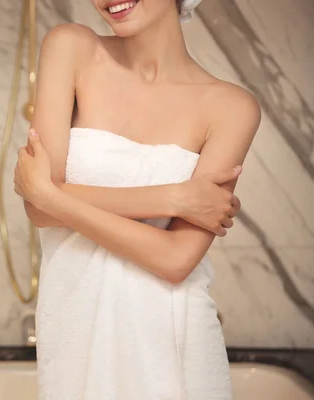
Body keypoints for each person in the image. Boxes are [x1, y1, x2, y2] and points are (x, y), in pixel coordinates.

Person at [13, 0, 261, 399]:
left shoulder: (232, 107)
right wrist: (172, 199)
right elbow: (38, 209)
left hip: (173, 335)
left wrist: (52, 197)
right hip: (75, 332)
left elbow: (176, 259)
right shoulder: (71, 48)